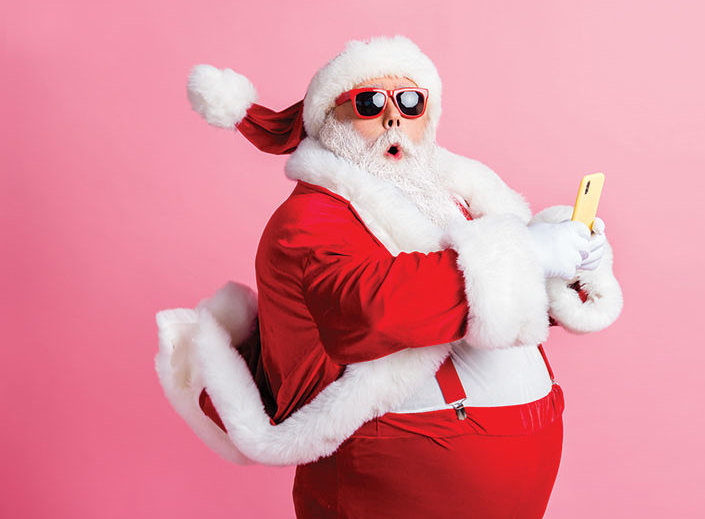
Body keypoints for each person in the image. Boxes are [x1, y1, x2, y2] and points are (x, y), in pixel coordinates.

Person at [155, 35, 623, 518]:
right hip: (395, 481)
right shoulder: (310, 219)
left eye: (410, 101)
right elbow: (370, 310)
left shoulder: (453, 198)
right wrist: (525, 252)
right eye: (369, 102)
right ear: (327, 122)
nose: (393, 117)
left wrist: (567, 263)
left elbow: (494, 306)